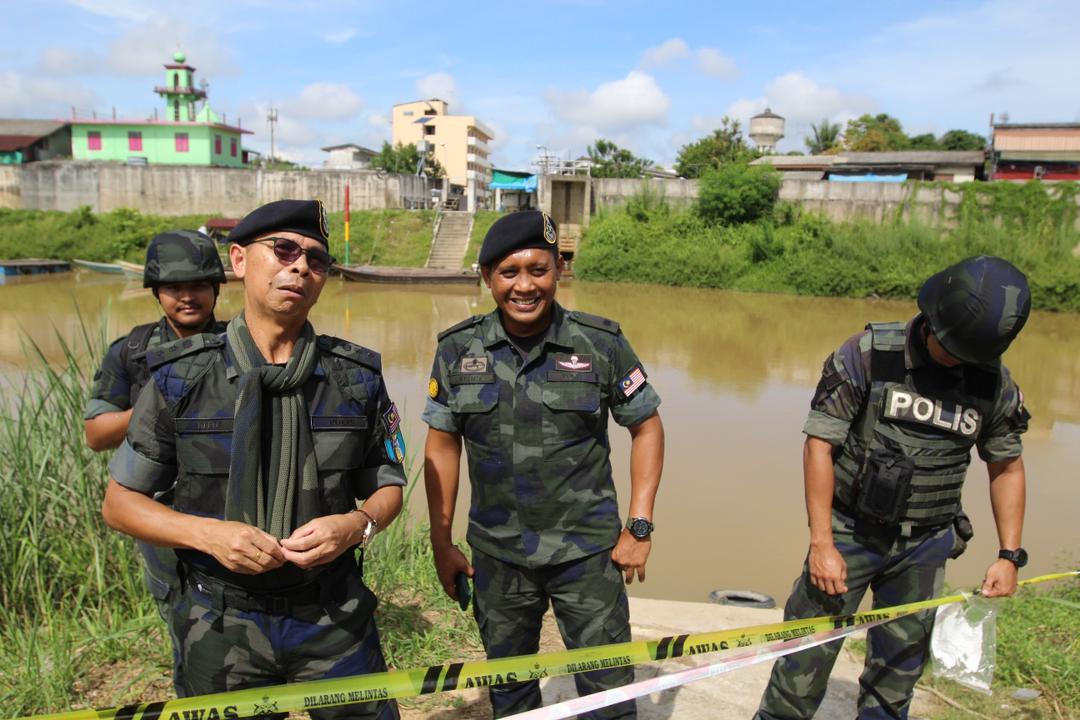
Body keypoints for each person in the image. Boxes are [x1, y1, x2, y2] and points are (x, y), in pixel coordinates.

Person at [102, 199, 405, 719]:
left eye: (316, 259)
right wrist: (207, 535)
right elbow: (120, 505)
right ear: (239, 261)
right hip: (219, 623)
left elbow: (388, 486)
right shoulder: (182, 378)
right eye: (284, 250)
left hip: (332, 614)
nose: (300, 267)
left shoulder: (354, 378)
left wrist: (355, 525)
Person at [755, 255, 1032, 720]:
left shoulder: (992, 382)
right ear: (932, 316)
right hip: (849, 535)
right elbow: (819, 445)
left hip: (925, 546)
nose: (957, 361)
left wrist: (1009, 556)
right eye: (951, 349)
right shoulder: (869, 354)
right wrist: (821, 542)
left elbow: (1007, 466)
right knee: (802, 668)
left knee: (895, 682)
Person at [423, 210, 665, 719]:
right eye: (509, 273)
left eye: (539, 269)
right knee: (510, 691)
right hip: (498, 555)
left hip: (588, 555)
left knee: (608, 693)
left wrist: (639, 526)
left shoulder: (600, 344)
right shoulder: (456, 349)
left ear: (559, 270)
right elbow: (442, 445)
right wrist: (441, 542)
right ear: (487, 277)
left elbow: (646, 427)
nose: (525, 286)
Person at [84, 228, 227, 696]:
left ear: (215, 289)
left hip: (230, 507)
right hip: (161, 515)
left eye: (199, 286)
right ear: (156, 292)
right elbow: (96, 433)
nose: (187, 297)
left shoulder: (241, 343)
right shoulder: (131, 352)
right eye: (174, 288)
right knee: (182, 620)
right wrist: (157, 402)